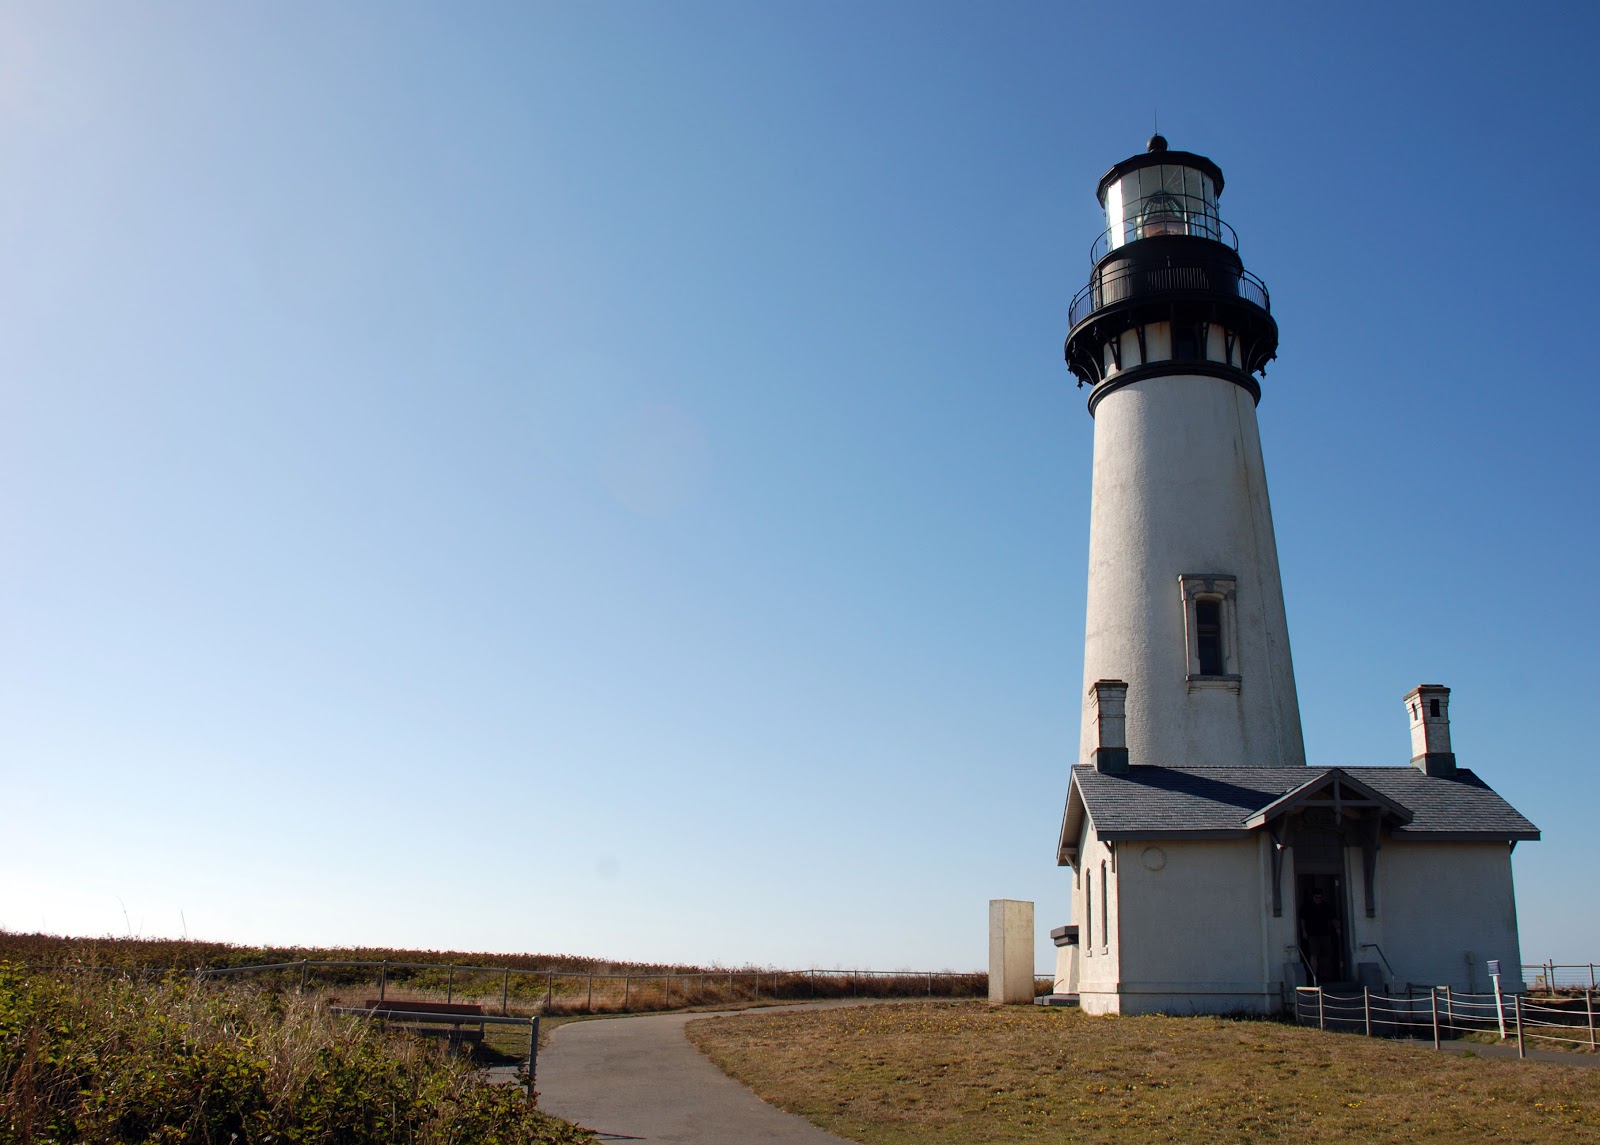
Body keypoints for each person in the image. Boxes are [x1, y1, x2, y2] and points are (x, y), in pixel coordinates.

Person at [1299, 890, 1341, 982]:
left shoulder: (1326, 906)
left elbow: (1332, 917)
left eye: (1320, 897)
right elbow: (1302, 919)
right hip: (1312, 934)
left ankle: (1325, 975)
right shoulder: (1308, 907)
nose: (1318, 899)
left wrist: (1337, 927)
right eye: (1316, 897)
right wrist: (1304, 931)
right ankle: (1314, 975)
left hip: (1325, 933)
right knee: (1314, 954)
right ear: (1313, 897)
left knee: (1326, 955)